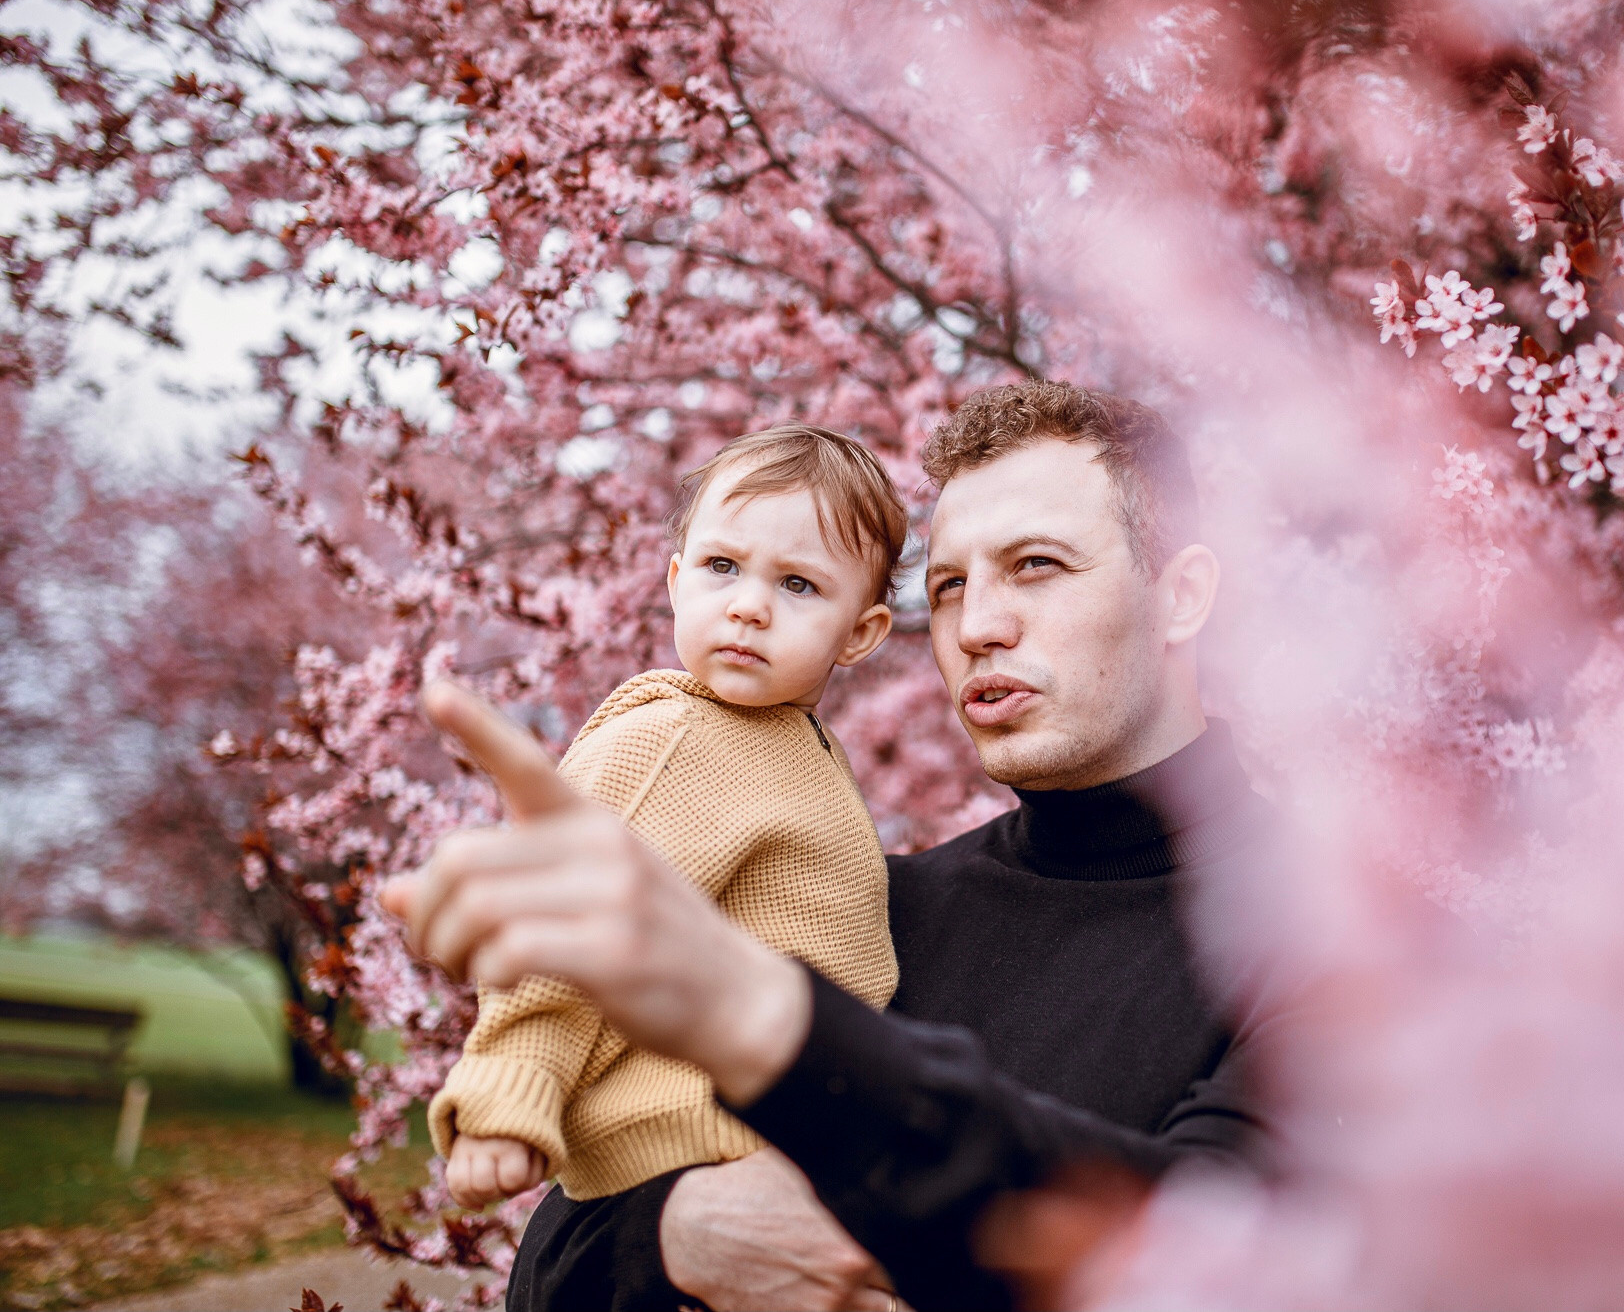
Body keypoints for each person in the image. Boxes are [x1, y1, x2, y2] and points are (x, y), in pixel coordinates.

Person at [390, 382, 1273, 1311]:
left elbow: (1225, 1254)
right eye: (949, 586)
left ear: (1181, 595)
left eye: (1037, 565)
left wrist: (778, 1027)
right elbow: (551, 1260)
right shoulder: (881, 910)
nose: (977, 627)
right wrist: (670, 1236)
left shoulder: (1341, 958)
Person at [424, 427, 909, 1301]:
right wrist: (509, 1087)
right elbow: (566, 920)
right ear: (677, 579)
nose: (749, 606)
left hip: (786, 1152)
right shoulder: (672, 736)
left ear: (862, 631)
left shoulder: (794, 748)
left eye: (798, 584)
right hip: (685, 1152)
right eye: (723, 567)